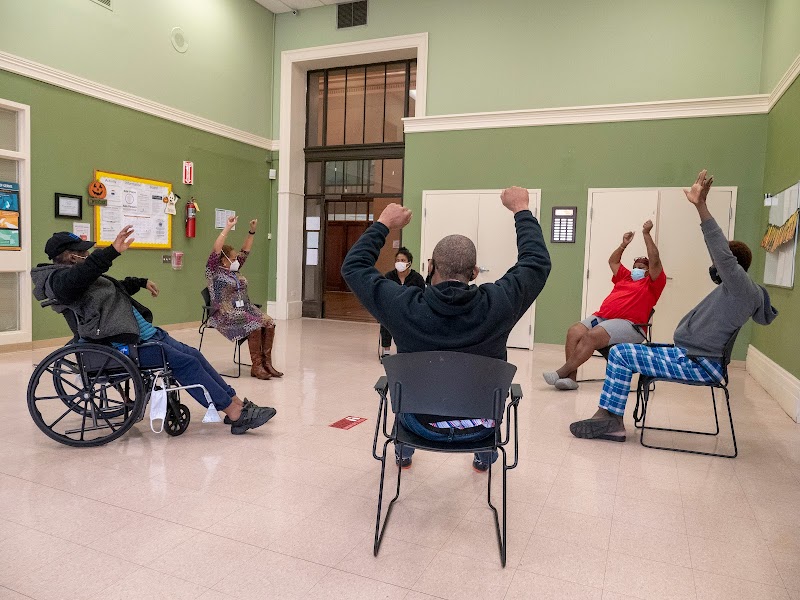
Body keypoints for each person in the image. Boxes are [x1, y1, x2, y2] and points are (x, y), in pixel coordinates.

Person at [342, 188, 551, 470]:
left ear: (430, 266)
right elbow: (536, 263)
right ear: (474, 273)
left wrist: (383, 224)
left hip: (418, 425)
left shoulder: (402, 306)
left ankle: (403, 451)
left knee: (401, 391)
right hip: (480, 427)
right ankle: (485, 455)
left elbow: (354, 267)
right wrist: (521, 210)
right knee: (489, 407)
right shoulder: (499, 304)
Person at [570, 170, 778, 442]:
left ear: (731, 266)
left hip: (699, 364)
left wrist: (700, 206)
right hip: (689, 354)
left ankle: (610, 419)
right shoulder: (737, 291)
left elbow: (719, 249)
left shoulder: (740, 286)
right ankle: (609, 417)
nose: (714, 267)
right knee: (622, 352)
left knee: (620, 354)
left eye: (720, 263)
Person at [31, 227, 277, 435]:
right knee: (186, 364)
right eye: (83, 251)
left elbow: (111, 288)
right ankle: (235, 415)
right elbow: (83, 277)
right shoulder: (59, 282)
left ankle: (235, 402)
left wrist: (140, 282)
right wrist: (111, 252)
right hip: (122, 346)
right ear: (72, 257)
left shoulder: (78, 277)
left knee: (194, 355)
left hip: (144, 334)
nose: (87, 254)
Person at [543, 220, 666, 390]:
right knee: (574, 331)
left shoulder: (653, 283)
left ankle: (561, 372)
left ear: (648, 270)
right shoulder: (626, 277)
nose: (637, 269)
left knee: (591, 335)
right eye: (635, 267)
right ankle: (571, 379)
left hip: (630, 325)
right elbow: (613, 262)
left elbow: (655, 261)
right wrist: (623, 245)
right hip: (603, 317)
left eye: (642, 267)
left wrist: (646, 234)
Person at [206, 215, 283, 380]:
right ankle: (256, 366)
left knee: (269, 322)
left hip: (244, 308)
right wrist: (227, 227)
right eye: (232, 259)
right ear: (222, 260)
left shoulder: (234, 270)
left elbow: (245, 251)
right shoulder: (213, 270)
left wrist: (252, 231)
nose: (236, 260)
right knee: (254, 323)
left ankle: (266, 363)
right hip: (224, 313)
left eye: (236, 258)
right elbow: (216, 249)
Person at [379, 247, 425, 358]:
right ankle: (386, 351)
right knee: (386, 321)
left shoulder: (417, 278)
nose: (400, 263)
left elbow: (423, 295)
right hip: (393, 308)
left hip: (410, 309)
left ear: (409, 263)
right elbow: (383, 293)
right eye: (397, 260)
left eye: (403, 260)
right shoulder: (389, 276)